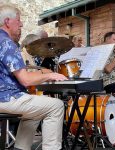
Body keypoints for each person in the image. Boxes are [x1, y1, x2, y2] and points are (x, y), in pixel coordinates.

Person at [0, 4, 68, 150]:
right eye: (18, 20)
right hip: (5, 98)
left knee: (36, 111)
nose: (22, 24)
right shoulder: (7, 44)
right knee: (56, 106)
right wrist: (50, 74)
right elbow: (25, 80)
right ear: (7, 22)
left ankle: (21, 148)